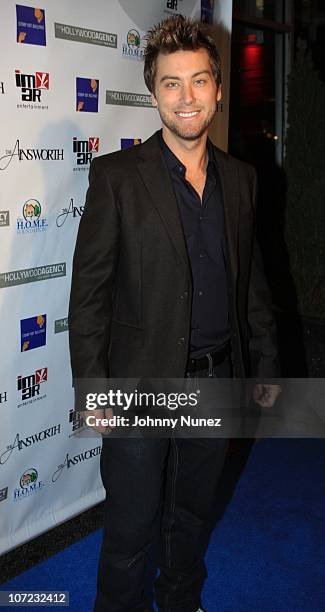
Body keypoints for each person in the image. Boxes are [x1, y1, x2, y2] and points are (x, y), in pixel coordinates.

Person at [68, 14, 281, 612]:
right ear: (153, 91)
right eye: (170, 83)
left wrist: (263, 364)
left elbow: (252, 282)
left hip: (215, 380)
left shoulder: (242, 180)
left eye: (198, 81)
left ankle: (180, 602)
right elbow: (88, 295)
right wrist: (93, 388)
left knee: (190, 519)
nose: (186, 98)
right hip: (140, 386)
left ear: (216, 87)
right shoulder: (117, 178)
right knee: (130, 530)